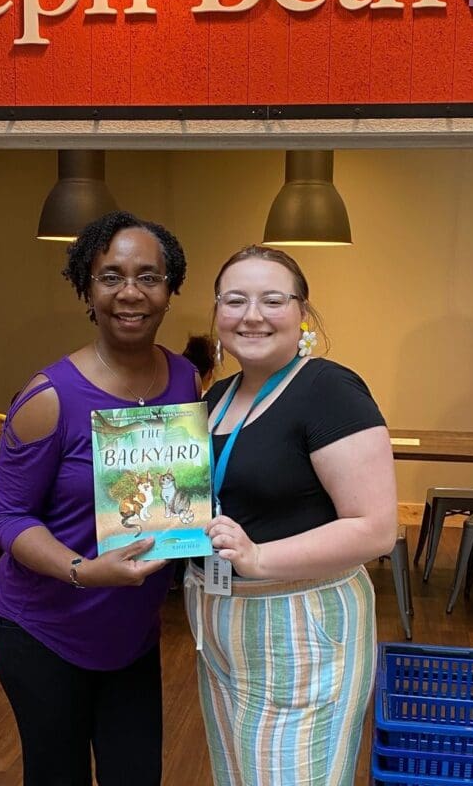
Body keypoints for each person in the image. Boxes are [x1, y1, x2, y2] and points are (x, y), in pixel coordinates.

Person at [0, 210, 199, 786]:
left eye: (148, 276)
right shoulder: (48, 398)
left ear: (169, 290)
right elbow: (7, 516)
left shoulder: (185, 381)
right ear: (87, 288)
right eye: (111, 276)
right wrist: (83, 571)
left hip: (130, 632)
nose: (130, 292)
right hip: (44, 630)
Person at [184, 244, 397, 786]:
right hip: (221, 626)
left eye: (272, 300)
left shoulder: (330, 390)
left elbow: (376, 528)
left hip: (300, 631)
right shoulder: (217, 397)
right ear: (216, 313)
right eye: (235, 300)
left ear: (302, 312)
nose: (251, 315)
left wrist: (258, 556)